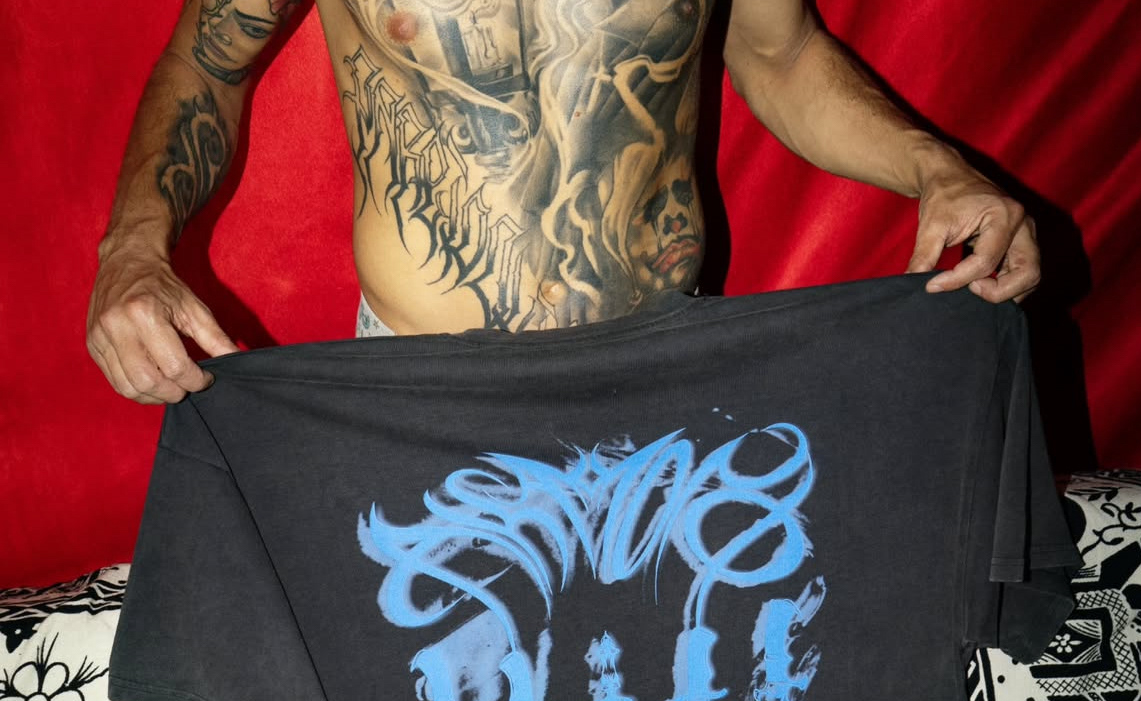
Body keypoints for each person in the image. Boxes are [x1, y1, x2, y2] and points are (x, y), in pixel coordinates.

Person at [87, 0, 1039, 403]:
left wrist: (936, 169)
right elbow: (205, 63)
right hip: (424, 388)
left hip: (663, 369)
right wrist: (132, 247)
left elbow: (778, 52)